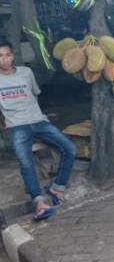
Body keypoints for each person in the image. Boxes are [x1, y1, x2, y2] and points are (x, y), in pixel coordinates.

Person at [0, 40, 76, 221]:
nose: (4, 60)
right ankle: (39, 203)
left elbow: (34, 95)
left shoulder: (26, 72)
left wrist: (40, 116)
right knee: (26, 164)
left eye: (7, 55)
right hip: (16, 126)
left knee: (70, 149)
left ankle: (58, 186)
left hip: (38, 121)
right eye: (0, 56)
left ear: (13, 55)